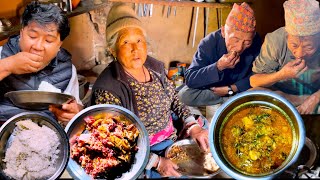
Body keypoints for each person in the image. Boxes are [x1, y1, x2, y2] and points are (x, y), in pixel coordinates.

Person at [90, 3, 209, 178]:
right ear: (112, 50)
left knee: (203, 132)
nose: (135, 49)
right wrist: (157, 163)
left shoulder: (155, 68)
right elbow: (114, 142)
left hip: (171, 139)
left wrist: (192, 126)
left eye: (139, 40)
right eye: (126, 42)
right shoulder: (108, 88)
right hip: (142, 152)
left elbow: (175, 100)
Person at [0, 1, 82, 124]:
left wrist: (73, 113)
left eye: (48, 40)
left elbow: (76, 107)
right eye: (32, 36)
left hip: (47, 133)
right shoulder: (2, 54)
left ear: (59, 45)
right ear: (21, 33)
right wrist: (8, 65)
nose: (38, 46)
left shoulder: (67, 69)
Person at [178, 2, 261, 108]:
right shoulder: (209, 42)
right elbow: (191, 79)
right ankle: (232, 101)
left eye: (247, 42)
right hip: (214, 90)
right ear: (223, 32)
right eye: (235, 40)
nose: (240, 47)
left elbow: (260, 74)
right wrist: (218, 66)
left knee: (264, 89)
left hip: (239, 88)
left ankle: (231, 99)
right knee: (185, 95)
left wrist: (232, 88)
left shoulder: (256, 42)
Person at [250, 0, 320, 114]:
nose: (299, 54)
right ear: (287, 36)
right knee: (252, 94)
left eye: (309, 47)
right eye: (294, 45)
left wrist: (315, 98)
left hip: (315, 94)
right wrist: (281, 75)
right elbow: (254, 81)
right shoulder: (275, 41)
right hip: (281, 95)